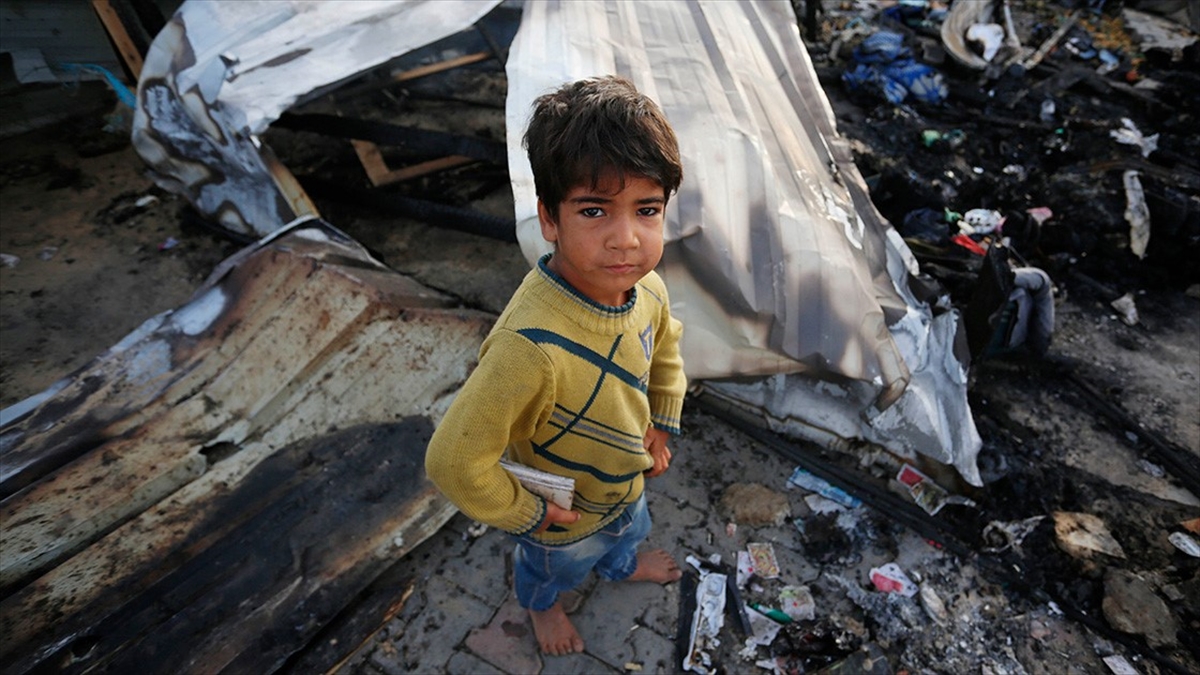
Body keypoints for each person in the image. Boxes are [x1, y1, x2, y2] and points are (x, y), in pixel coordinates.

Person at [424, 75, 688, 656]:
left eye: (646, 210)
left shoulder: (647, 292)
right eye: (594, 210)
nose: (626, 240)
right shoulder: (529, 346)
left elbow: (665, 353)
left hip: (628, 479)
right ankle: (541, 608)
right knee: (553, 569)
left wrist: (662, 423)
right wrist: (527, 512)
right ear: (549, 219)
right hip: (563, 513)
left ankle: (620, 566)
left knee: (627, 535)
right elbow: (452, 459)